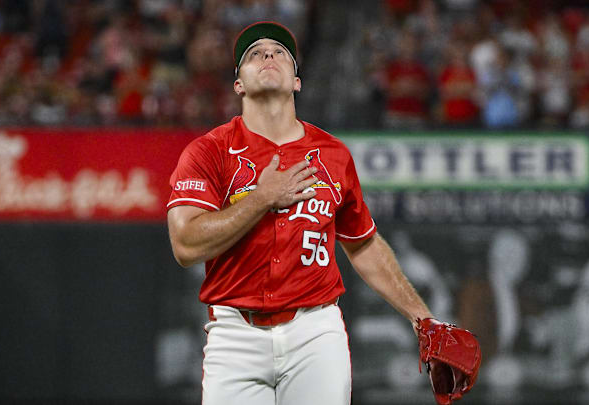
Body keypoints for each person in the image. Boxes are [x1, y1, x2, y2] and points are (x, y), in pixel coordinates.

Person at [165, 21, 434, 405]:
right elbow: (185, 244)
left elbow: (363, 244)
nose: (268, 55)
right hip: (235, 334)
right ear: (238, 84)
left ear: (297, 82)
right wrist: (260, 198)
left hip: (315, 331)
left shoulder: (333, 154)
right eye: (254, 54)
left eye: (279, 52)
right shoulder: (208, 152)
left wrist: (421, 316)